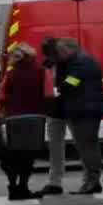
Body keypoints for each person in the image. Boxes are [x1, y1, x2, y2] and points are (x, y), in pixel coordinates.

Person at [54, 37, 103, 194]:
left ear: (68, 50)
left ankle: (92, 181)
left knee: (87, 147)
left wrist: (60, 87)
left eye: (60, 52)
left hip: (85, 110)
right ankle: (92, 180)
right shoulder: (79, 60)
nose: (58, 55)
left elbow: (71, 83)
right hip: (85, 109)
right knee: (88, 145)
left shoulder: (81, 62)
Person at [0, 43, 47, 200]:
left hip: (14, 118)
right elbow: (48, 94)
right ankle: (23, 187)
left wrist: (1, 115)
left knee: (14, 154)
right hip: (35, 118)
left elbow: (2, 96)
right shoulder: (42, 72)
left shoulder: (10, 74)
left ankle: (13, 188)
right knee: (29, 155)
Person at [35, 37, 66, 196]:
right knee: (55, 147)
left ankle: (90, 180)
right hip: (55, 108)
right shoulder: (47, 65)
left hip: (67, 105)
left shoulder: (66, 63)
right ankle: (55, 182)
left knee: (82, 145)